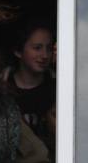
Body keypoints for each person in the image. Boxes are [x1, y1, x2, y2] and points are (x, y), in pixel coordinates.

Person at [4, 19, 56, 151]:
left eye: (49, 48)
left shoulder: (59, 88)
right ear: (18, 51)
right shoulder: (1, 89)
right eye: (37, 48)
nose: (45, 55)